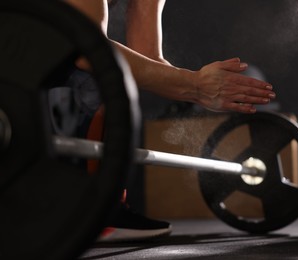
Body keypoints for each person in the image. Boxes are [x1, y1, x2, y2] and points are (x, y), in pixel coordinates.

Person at [62, 0, 276, 242]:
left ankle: (102, 208)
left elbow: (149, 59)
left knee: (114, 75)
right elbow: (87, 50)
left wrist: (200, 88)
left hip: (50, 46)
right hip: (16, 38)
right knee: (98, 75)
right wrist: (194, 85)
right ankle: (91, 212)